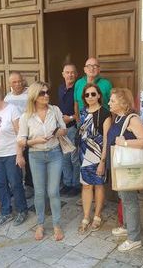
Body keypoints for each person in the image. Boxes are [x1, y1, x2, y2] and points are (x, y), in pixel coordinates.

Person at [17, 81, 67, 241]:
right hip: (36, 155)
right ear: (34, 96)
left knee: (53, 191)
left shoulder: (55, 110)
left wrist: (59, 132)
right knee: (39, 192)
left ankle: (57, 224)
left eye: (47, 92)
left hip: (54, 154)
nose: (46, 95)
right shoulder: (26, 116)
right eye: (42, 93)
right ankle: (40, 224)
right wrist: (35, 140)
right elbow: (21, 140)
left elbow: (64, 129)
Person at [107, 88, 143, 252]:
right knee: (123, 198)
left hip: (128, 167)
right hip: (119, 165)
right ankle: (127, 226)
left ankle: (134, 238)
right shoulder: (118, 118)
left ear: (123, 103)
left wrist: (124, 143)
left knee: (130, 201)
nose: (109, 103)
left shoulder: (132, 119)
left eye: (113, 100)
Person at [0, 84, 28, 228]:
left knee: (15, 183)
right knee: (0, 184)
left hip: (11, 153)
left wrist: (19, 155)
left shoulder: (12, 110)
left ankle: (22, 210)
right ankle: (6, 211)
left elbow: (20, 134)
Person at [77, 83, 111, 234]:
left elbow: (105, 139)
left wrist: (103, 162)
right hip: (84, 153)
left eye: (93, 94)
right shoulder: (83, 111)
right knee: (86, 185)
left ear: (98, 95)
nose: (90, 97)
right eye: (87, 95)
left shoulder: (105, 113)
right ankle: (85, 216)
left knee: (98, 185)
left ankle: (97, 215)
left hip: (98, 154)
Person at [4, 72, 34, 195]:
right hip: (14, 136)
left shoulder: (30, 94)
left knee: (28, 160)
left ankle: (29, 185)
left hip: (29, 133)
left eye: (19, 81)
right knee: (16, 160)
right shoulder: (7, 98)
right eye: (14, 82)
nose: (18, 84)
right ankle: (16, 184)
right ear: (10, 84)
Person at [57, 62, 80, 197]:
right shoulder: (61, 88)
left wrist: (71, 118)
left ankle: (76, 185)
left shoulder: (79, 89)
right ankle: (67, 183)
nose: (70, 75)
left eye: (72, 72)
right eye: (67, 72)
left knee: (74, 158)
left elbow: (83, 109)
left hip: (73, 127)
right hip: (62, 129)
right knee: (64, 157)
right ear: (63, 74)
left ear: (76, 74)